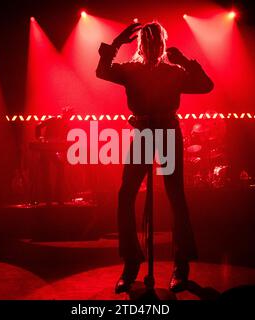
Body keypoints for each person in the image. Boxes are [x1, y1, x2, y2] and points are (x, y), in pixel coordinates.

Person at [96, 22, 214, 293]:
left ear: (160, 44)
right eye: (146, 41)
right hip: (143, 134)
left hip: (168, 133)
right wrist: (116, 43)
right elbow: (102, 71)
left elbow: (206, 85)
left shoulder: (173, 72)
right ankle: (131, 264)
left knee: (175, 196)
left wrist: (184, 60)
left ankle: (181, 267)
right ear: (141, 45)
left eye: (154, 41)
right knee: (126, 194)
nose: (150, 46)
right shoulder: (131, 69)